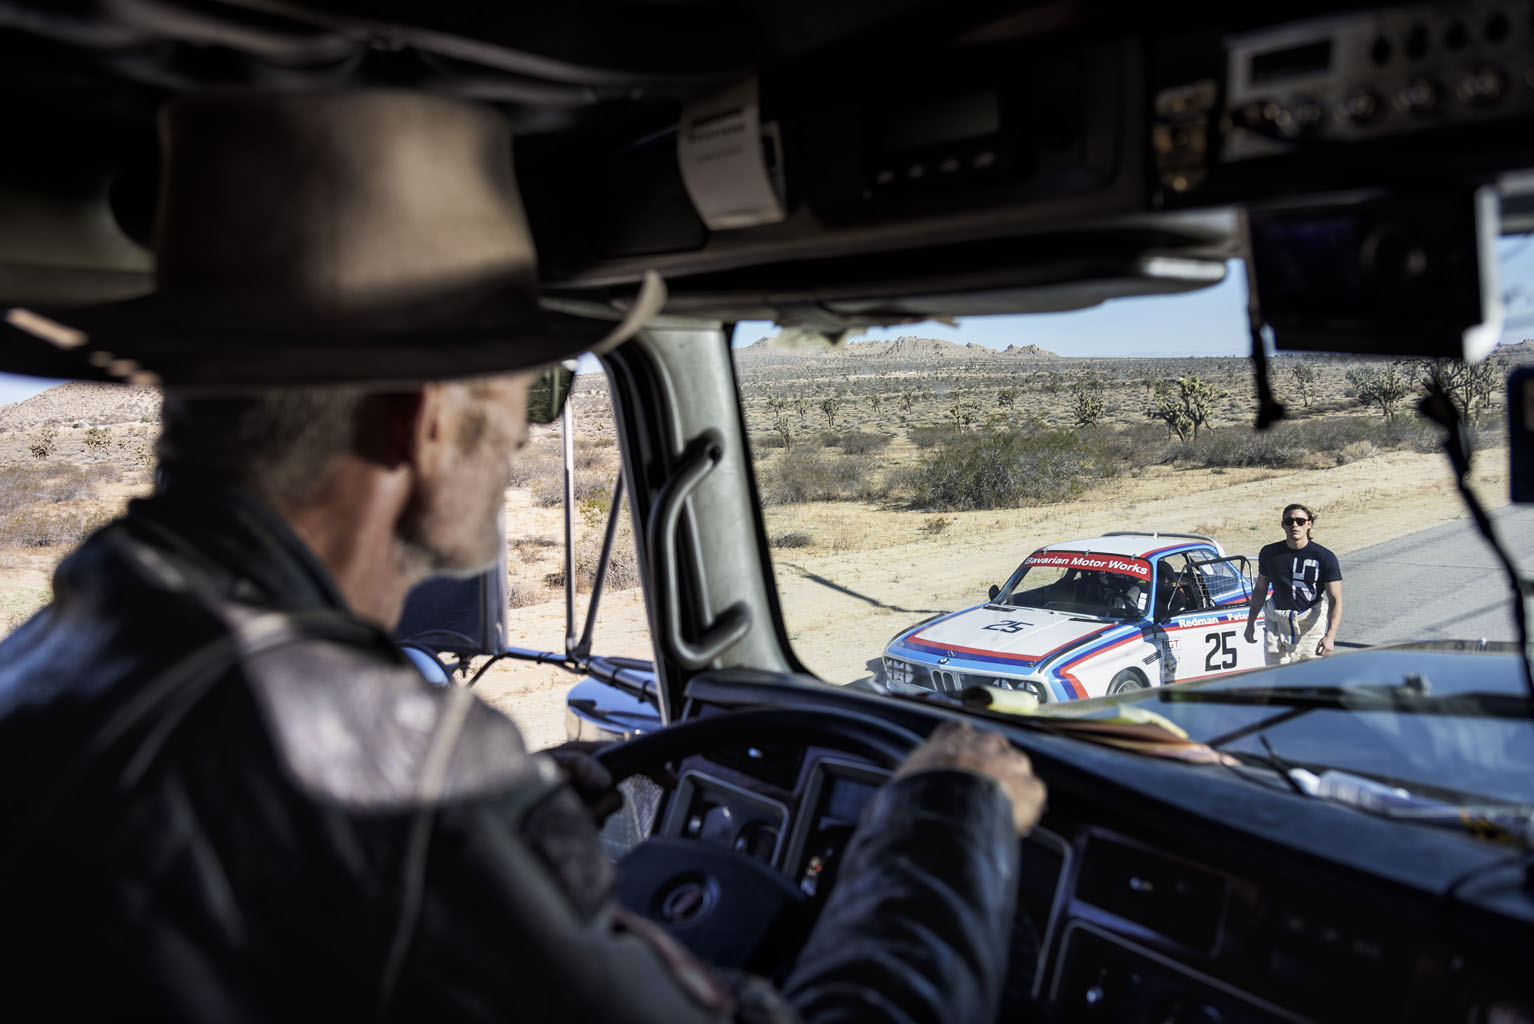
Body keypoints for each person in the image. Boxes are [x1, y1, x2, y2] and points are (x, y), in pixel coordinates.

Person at [0, 90, 1045, 1022]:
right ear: (426, 419)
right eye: (522, 382)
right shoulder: (395, 777)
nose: (523, 430)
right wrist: (950, 821)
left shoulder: (64, 645)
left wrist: (505, 834)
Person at [1243, 503, 1344, 665]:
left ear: (1309, 524)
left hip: (1310, 625)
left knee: (1308, 675)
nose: (1294, 525)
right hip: (1277, 622)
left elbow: (1335, 599)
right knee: (1276, 674)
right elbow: (1260, 589)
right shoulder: (1269, 553)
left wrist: (1330, 636)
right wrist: (1250, 623)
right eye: (1289, 521)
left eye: (1300, 521)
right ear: (1283, 525)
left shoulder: (1325, 557)